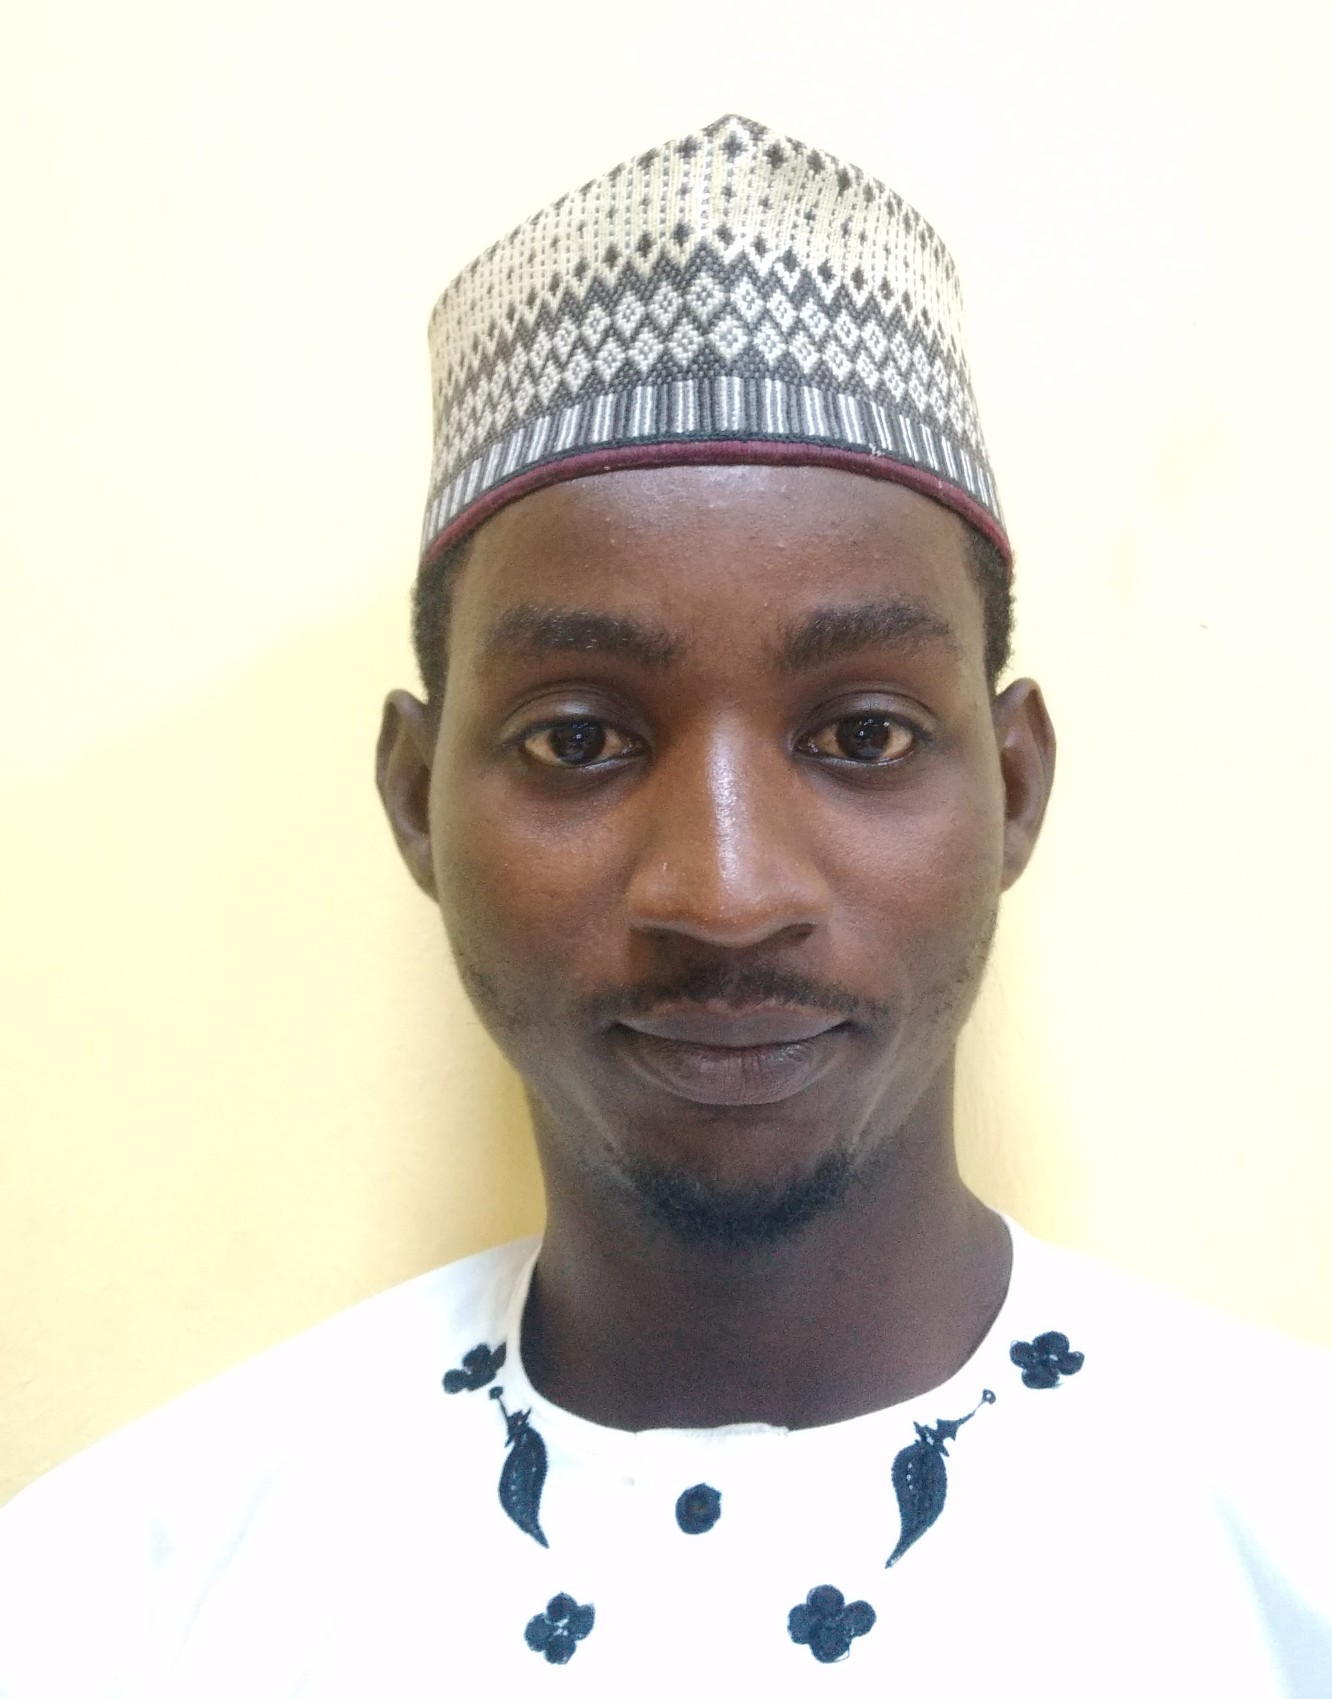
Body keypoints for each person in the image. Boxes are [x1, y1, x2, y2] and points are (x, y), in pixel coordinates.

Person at [1, 113, 1329, 1697]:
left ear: (1017, 788)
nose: (726, 890)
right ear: (415, 799)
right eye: (579, 740)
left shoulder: (1286, 1536)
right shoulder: (110, 1604)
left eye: (862, 736)